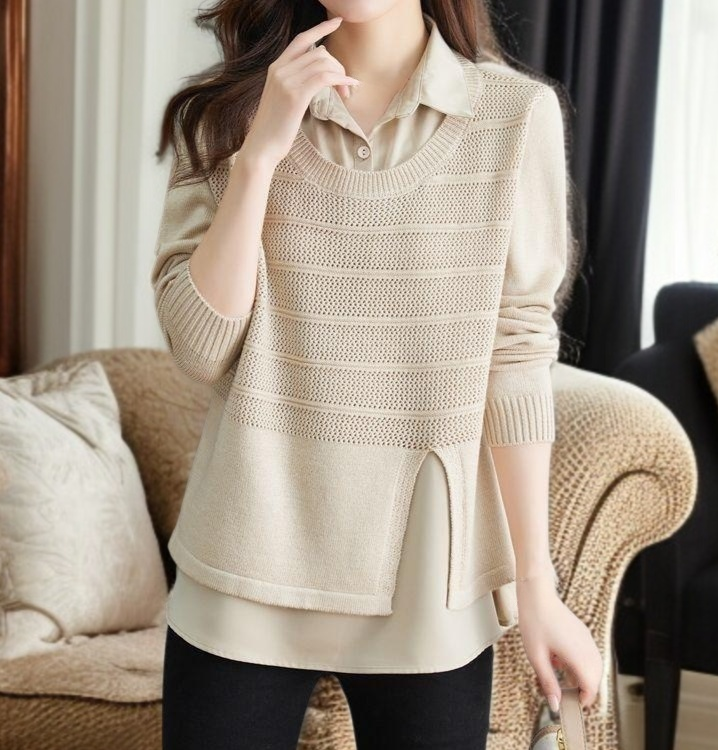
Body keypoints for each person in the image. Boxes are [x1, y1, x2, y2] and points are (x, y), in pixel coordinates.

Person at [151, 2, 603, 748]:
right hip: (243, 559)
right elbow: (200, 347)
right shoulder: (226, 115)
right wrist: (259, 157)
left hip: (426, 581)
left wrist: (536, 586)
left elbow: (517, 357)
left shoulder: (514, 117)